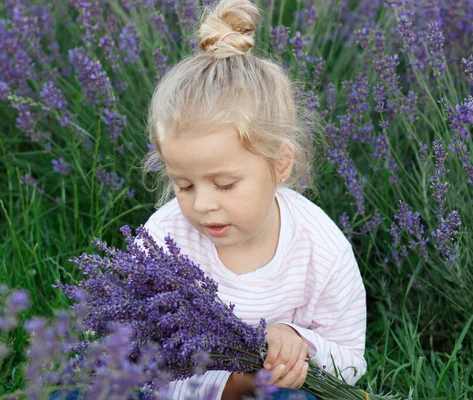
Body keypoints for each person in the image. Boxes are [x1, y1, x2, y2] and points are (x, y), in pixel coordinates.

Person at [139, 0, 367, 398]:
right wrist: (232, 385)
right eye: (184, 185)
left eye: (225, 184)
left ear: (280, 164)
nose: (203, 204)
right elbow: (143, 363)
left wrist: (299, 344)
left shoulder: (321, 248)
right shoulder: (163, 240)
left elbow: (350, 362)